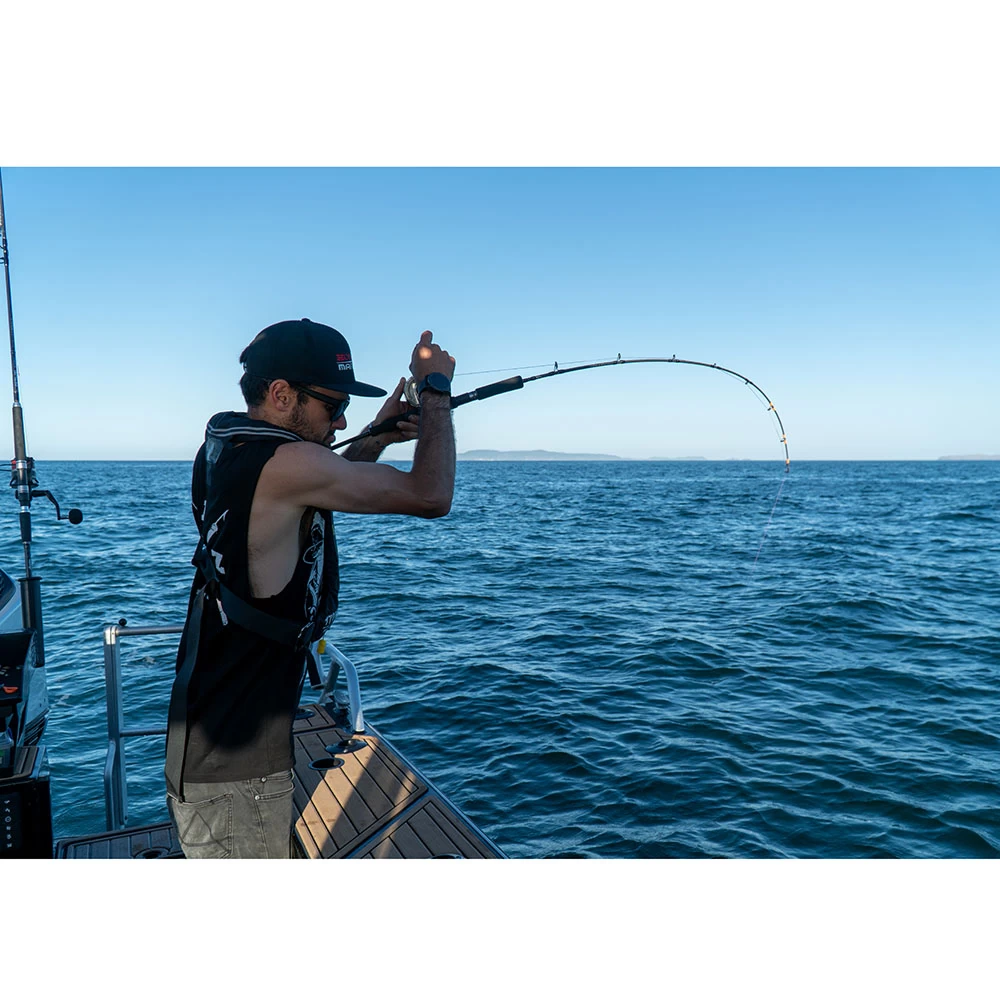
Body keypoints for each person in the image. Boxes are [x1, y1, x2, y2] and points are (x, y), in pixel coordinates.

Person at [164, 318, 455, 858]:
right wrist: (436, 390)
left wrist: (378, 434)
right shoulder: (286, 464)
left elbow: (316, 481)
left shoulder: (227, 447)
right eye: (333, 405)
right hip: (236, 767)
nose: (341, 420)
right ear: (281, 395)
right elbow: (430, 494)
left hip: (213, 736)